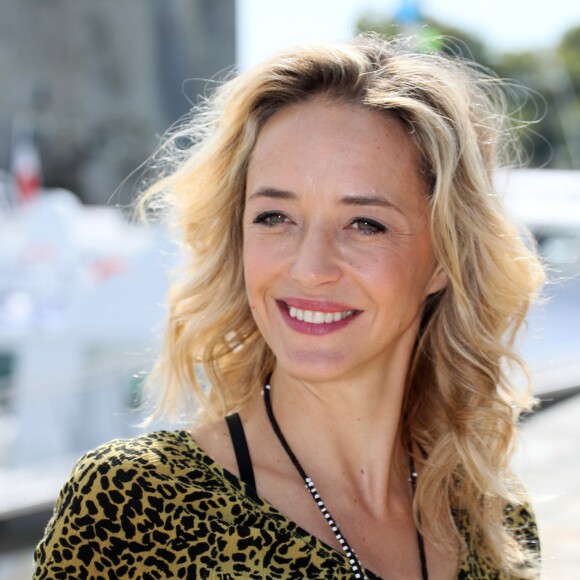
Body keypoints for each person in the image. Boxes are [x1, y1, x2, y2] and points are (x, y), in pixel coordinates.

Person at [34, 35, 543, 579]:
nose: (309, 267)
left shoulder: (492, 518)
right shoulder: (131, 506)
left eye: (364, 224)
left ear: (444, 258)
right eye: (275, 217)